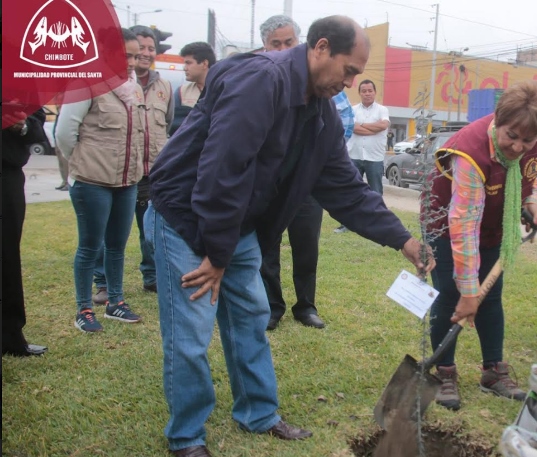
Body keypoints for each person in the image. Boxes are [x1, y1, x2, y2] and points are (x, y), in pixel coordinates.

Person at [144, 16, 433, 456]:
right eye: (349, 70)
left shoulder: (319, 113)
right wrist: (217, 255)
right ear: (320, 48)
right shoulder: (262, 81)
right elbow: (223, 171)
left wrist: (404, 241)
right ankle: (186, 436)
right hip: (186, 216)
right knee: (191, 333)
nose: (352, 83)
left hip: (236, 225)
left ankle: (258, 414)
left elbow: (345, 188)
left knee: (251, 320)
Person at [425, 80, 537, 411]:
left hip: (495, 225)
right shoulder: (470, 151)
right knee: (451, 297)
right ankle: (444, 372)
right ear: (498, 120)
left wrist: (531, 199)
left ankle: (493, 371)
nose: (518, 146)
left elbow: (532, 172)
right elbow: (463, 226)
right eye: (511, 135)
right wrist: (469, 293)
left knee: (491, 297)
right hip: (446, 225)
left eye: (527, 139)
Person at [257, 15, 356, 330]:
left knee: (306, 245)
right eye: (276, 44)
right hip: (272, 186)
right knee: (266, 246)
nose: (284, 48)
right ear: (265, 46)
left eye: (289, 42)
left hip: (309, 184)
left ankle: (306, 306)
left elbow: (344, 126)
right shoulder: (262, 81)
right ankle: (272, 307)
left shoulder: (330, 84)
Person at [56, 28, 146, 333]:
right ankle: (84, 309)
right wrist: (85, 163)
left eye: (135, 55)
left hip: (126, 182)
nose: (133, 61)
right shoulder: (85, 82)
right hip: (92, 181)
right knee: (90, 247)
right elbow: (64, 134)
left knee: (117, 246)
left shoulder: (132, 88)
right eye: (126, 55)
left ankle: (115, 303)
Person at [91, 26, 174, 303]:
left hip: (153, 172)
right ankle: (103, 283)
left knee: (150, 228)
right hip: (119, 171)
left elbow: (168, 125)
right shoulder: (108, 82)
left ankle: (151, 277)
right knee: (110, 230)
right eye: (140, 48)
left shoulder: (164, 87)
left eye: (151, 49)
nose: (145, 54)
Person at [2, 106, 49, 357]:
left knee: (7, 255)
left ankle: (10, 335)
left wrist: (21, 124)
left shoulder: (18, 77)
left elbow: (37, 122)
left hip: (6, 175)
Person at [334, 79, 389, 233]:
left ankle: (377, 224)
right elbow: (354, 128)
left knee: (376, 192)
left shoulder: (382, 110)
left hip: (374, 158)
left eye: (370, 90)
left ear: (375, 92)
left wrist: (361, 126)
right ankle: (347, 224)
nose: (367, 94)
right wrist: (373, 128)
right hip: (354, 156)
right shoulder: (352, 110)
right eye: (363, 91)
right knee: (350, 191)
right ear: (359, 93)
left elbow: (383, 125)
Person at [171, 42, 216, 135]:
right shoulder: (182, 92)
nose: (185, 68)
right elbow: (174, 124)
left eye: (189, 63)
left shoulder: (222, 90)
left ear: (204, 64)